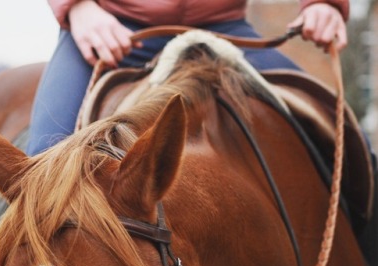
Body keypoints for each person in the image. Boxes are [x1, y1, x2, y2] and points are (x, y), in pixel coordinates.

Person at [26, 0, 349, 156]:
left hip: (225, 31)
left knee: (343, 138)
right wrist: (79, 7)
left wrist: (324, 4)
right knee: (45, 154)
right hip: (112, 28)